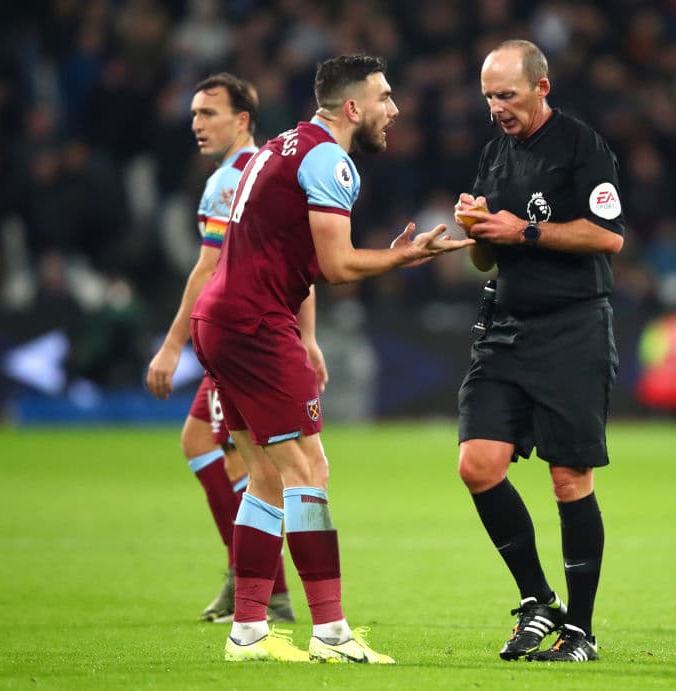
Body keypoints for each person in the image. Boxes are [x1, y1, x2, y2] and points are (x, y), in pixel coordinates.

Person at [190, 55, 473, 664]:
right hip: (257, 326)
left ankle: (247, 632)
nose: (393, 110)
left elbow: (304, 257)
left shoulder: (281, 146)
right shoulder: (329, 159)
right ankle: (332, 634)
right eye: (384, 98)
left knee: (265, 476)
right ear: (352, 108)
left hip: (219, 320)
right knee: (309, 470)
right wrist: (406, 258)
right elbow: (339, 267)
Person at [453, 40, 625, 663]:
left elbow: (608, 237)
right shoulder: (495, 155)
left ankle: (580, 630)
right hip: (506, 326)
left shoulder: (583, 146)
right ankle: (537, 602)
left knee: (568, 476)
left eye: (507, 95)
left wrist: (523, 229)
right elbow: (485, 258)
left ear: (541, 87)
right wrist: (477, 229)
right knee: (477, 464)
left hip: (572, 328)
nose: (497, 107)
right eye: (489, 97)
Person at [145, 73, 324, 624]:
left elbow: (207, 267)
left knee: (245, 457)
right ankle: (259, 584)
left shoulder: (231, 180)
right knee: (224, 449)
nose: (197, 125)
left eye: (209, 114)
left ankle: (261, 587)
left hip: (240, 337)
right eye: (194, 114)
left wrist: (173, 347)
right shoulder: (273, 168)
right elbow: (301, 266)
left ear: (242, 119)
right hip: (261, 331)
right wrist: (308, 336)